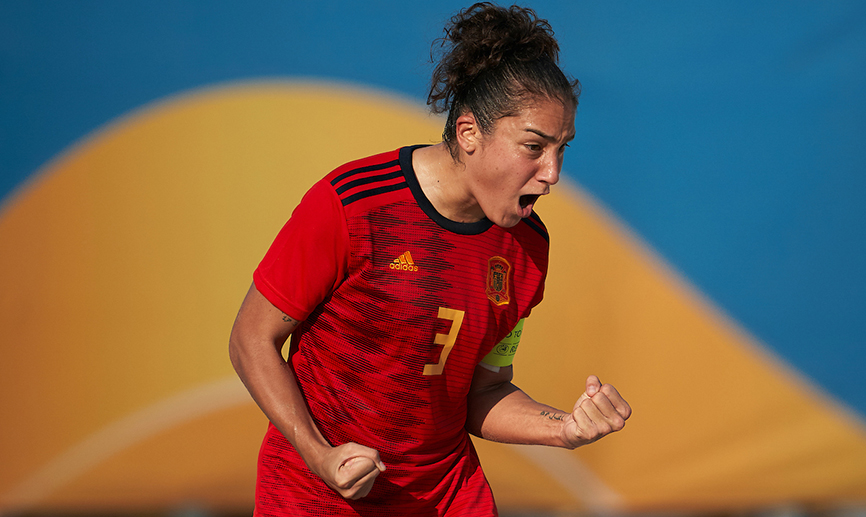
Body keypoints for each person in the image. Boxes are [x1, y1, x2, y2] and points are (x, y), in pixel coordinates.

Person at [229, 3, 632, 516]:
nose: (552, 172)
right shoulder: (353, 203)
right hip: (313, 497)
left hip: (445, 498)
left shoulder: (528, 248)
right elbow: (250, 340)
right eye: (533, 146)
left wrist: (564, 428)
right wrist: (321, 456)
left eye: (562, 148)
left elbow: (483, 391)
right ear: (468, 134)